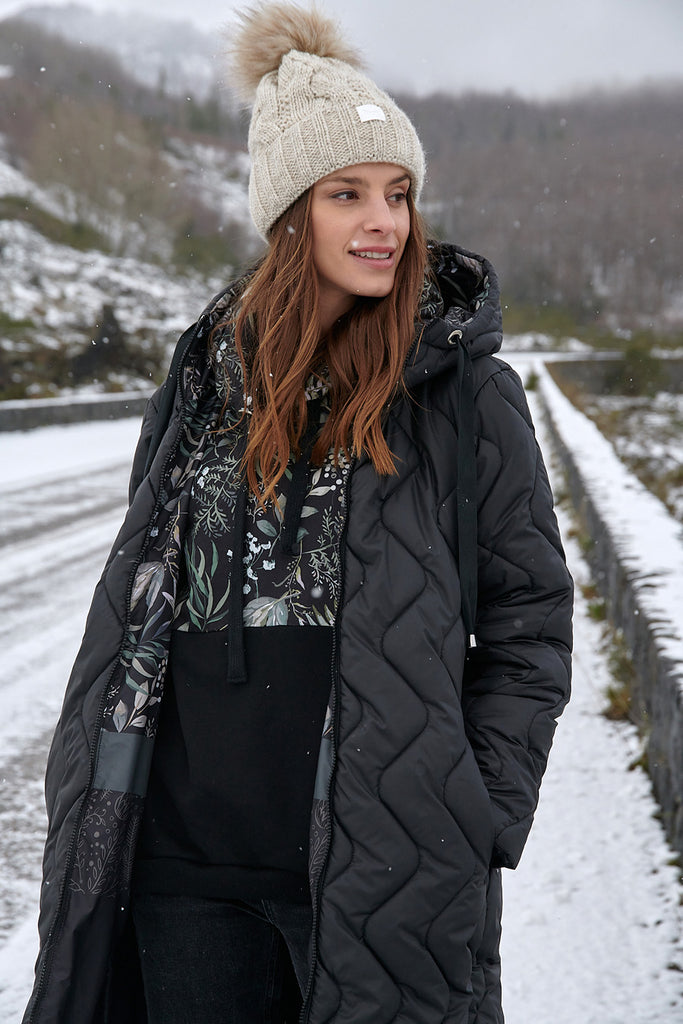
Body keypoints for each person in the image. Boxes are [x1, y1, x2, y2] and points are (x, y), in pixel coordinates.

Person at [23, 4, 573, 1023]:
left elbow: (528, 620)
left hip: (382, 864)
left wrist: (480, 808)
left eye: (397, 193)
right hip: (182, 868)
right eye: (346, 193)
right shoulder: (199, 387)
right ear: (288, 215)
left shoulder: (463, 394)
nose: (384, 221)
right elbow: (141, 604)